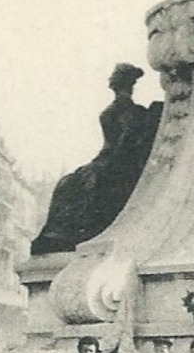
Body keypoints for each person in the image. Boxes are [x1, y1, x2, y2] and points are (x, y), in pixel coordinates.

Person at [31, 63, 162, 255]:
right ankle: (56, 232)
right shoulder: (114, 110)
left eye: (115, 77)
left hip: (121, 161)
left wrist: (107, 161)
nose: (111, 80)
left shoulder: (132, 111)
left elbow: (127, 142)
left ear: (123, 83)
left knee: (89, 180)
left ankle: (65, 232)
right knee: (67, 182)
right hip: (106, 156)